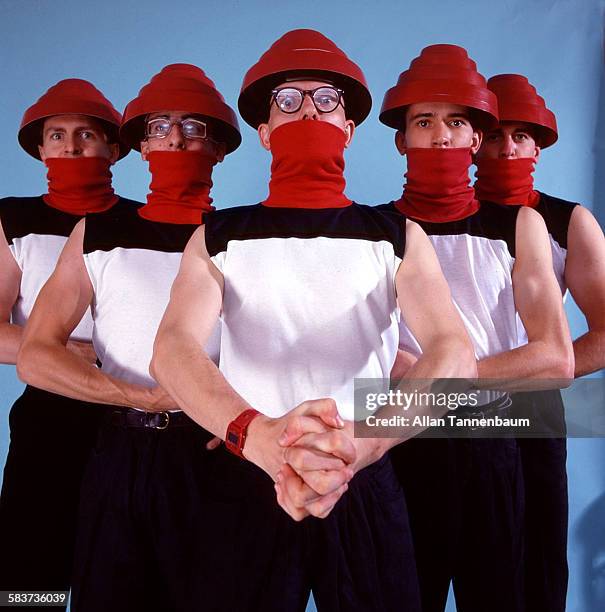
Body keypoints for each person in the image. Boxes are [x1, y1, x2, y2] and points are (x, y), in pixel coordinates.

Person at [152, 29, 476, 612]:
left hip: (362, 473)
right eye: (288, 101)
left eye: (325, 100)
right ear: (265, 132)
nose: (307, 110)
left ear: (348, 129)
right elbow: (173, 349)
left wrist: (363, 442)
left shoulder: (397, 235)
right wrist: (260, 438)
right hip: (248, 472)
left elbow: (454, 352)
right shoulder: (218, 234)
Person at [17, 64, 241, 612]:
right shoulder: (97, 232)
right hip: (116, 442)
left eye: (194, 129)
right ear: (140, 145)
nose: (176, 139)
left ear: (219, 148)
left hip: (211, 447)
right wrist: (136, 396)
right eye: (161, 127)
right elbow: (36, 353)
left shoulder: (242, 233)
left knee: (207, 593)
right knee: (77, 585)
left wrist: (235, 415)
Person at [377, 45, 574, 612]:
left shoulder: (521, 224)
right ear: (401, 138)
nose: (441, 137)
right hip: (401, 436)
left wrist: (438, 380)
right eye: (424, 122)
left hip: (494, 437)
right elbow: (364, 342)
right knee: (406, 594)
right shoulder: (374, 227)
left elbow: (555, 359)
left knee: (503, 594)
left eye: (456, 123)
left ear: (474, 139)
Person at [475, 73, 605, 612]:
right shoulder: (430, 218)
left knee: (538, 561)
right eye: (497, 134)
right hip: (439, 405)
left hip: (532, 412)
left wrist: (540, 370)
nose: (508, 147)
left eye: (522, 136)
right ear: (474, 139)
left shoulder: (567, 219)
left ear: (539, 145)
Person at [0, 78, 132, 604]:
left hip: (132, 413)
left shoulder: (142, 221)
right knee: (34, 564)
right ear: (39, 147)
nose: (72, 147)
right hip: (52, 408)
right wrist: (57, 349)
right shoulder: (14, 219)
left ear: (115, 148)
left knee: (124, 557)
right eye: (57, 136)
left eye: (86, 135)